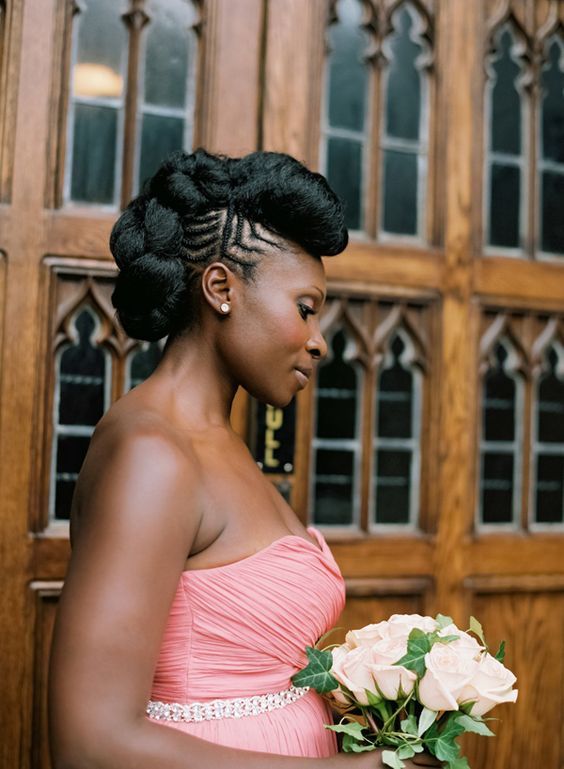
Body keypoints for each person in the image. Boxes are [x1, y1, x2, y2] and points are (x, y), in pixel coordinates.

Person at [48, 149, 440, 769]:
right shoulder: (152, 453)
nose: (318, 341)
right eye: (305, 309)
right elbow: (91, 742)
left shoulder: (221, 445)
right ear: (221, 288)